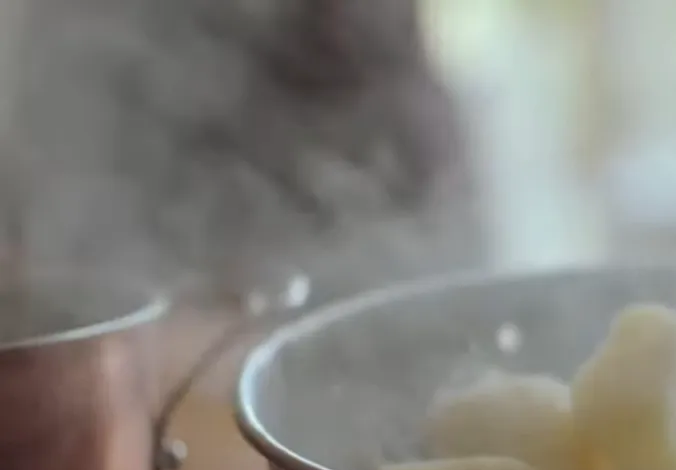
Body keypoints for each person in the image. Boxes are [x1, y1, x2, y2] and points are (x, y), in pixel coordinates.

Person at [7, 0, 476, 304]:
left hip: (360, 326)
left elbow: (434, 212)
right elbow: (70, 266)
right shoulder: (92, 42)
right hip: (176, 369)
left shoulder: (373, 48)